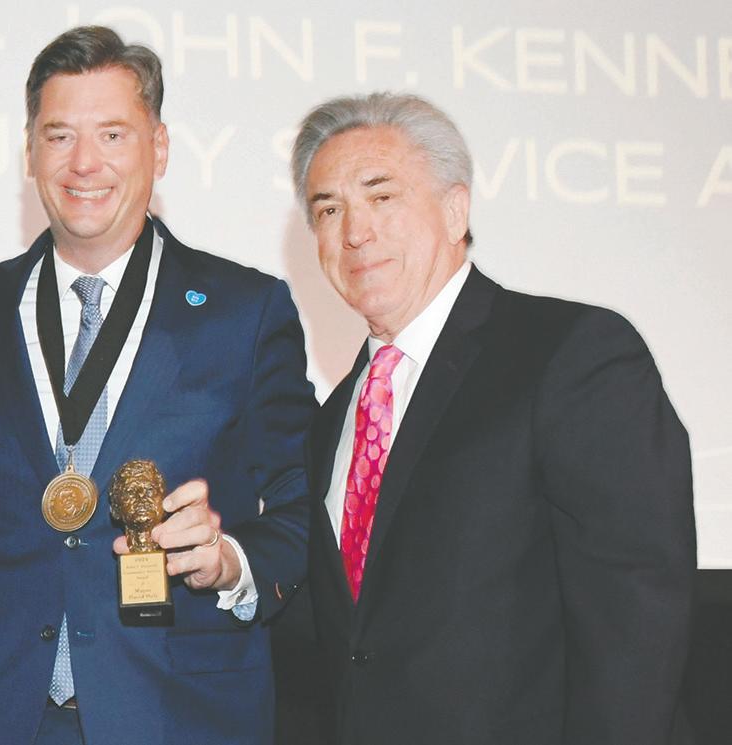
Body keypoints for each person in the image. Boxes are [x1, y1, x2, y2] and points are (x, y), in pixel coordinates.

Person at [0, 25, 316, 745]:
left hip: (179, 713)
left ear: (158, 147)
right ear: (29, 150)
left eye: (112, 135)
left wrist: (229, 560)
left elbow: (301, 500)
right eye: (59, 135)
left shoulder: (244, 312)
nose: (83, 162)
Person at [290, 92, 695, 745]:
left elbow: (635, 615)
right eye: (328, 210)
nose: (354, 232)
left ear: (455, 210)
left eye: (381, 196)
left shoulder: (568, 353)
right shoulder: (332, 420)